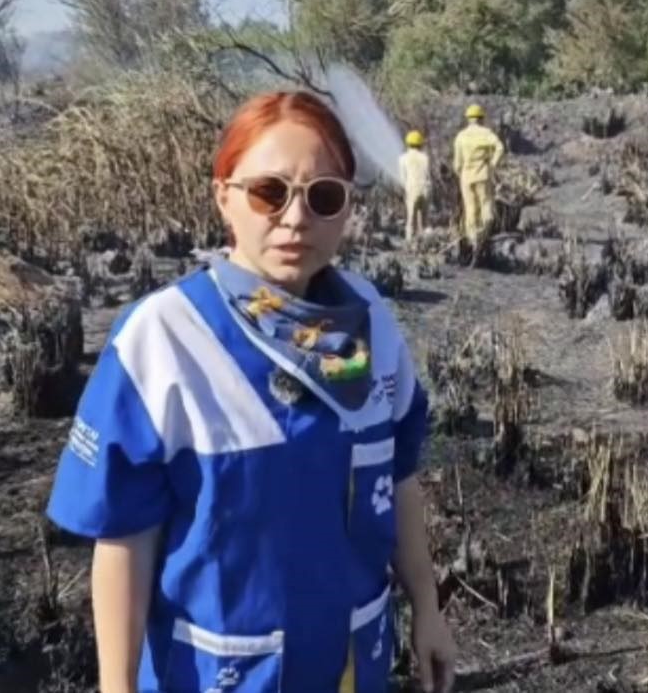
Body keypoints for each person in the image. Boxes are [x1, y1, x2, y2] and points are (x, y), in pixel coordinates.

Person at [44, 90, 457, 693]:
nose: (295, 219)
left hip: (353, 669)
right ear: (224, 197)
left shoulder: (372, 321)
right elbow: (124, 538)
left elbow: (397, 480)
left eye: (323, 197)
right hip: (222, 676)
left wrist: (428, 607)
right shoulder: (164, 336)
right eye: (269, 193)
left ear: (346, 208)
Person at [451, 104, 505, 247]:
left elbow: (457, 163)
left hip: (466, 177)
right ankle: (485, 234)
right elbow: (500, 147)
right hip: (483, 174)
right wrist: (493, 164)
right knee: (486, 204)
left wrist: (460, 173)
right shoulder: (486, 133)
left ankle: (473, 239)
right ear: (481, 118)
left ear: (468, 119)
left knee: (470, 208)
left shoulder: (461, 136)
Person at [398, 129, 431, 243]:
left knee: (410, 219)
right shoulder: (425, 157)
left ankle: (409, 243)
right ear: (420, 143)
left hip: (412, 190)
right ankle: (428, 242)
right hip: (425, 189)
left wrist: (404, 191)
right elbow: (428, 175)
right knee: (425, 220)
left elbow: (403, 178)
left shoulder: (403, 158)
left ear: (407, 143)